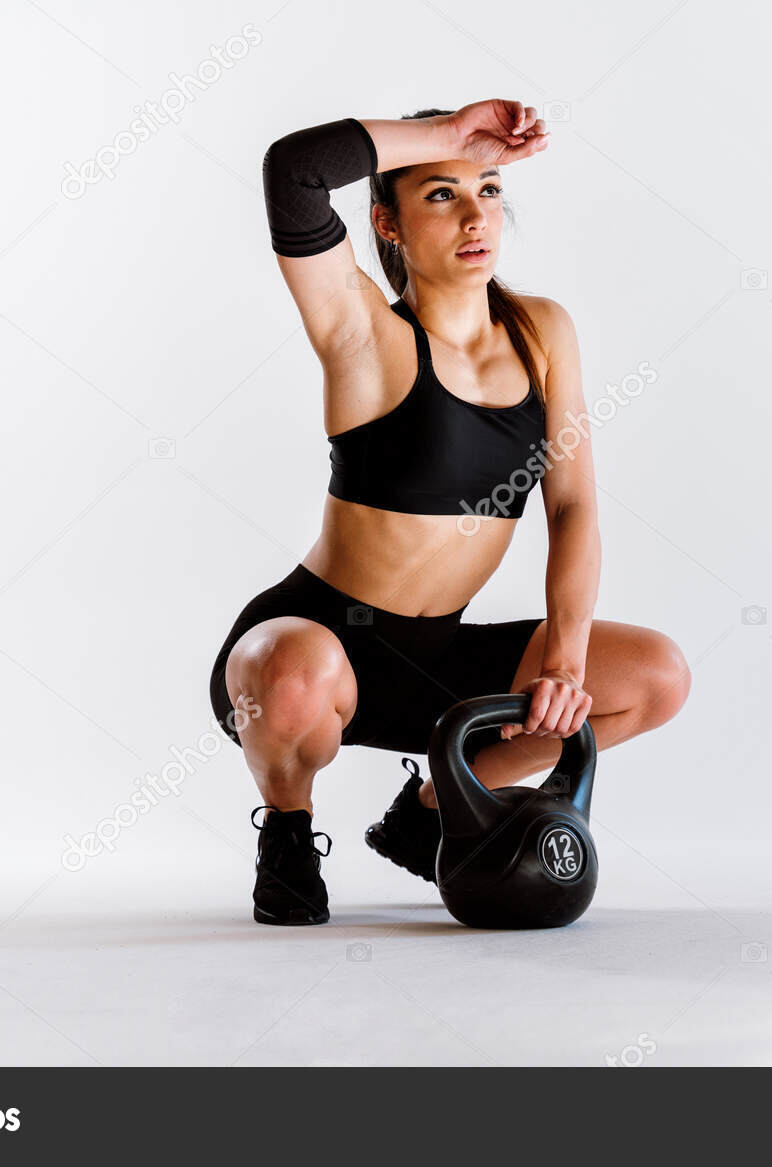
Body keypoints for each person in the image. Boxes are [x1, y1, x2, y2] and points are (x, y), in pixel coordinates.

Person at [209, 99, 691, 925]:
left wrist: (566, 664)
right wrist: (444, 134)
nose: (477, 216)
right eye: (441, 193)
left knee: (654, 678)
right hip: (317, 648)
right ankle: (287, 829)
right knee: (291, 674)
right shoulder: (364, 336)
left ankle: (430, 808)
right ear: (385, 222)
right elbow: (294, 172)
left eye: (490, 189)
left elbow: (571, 505)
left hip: (440, 667)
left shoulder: (542, 332)